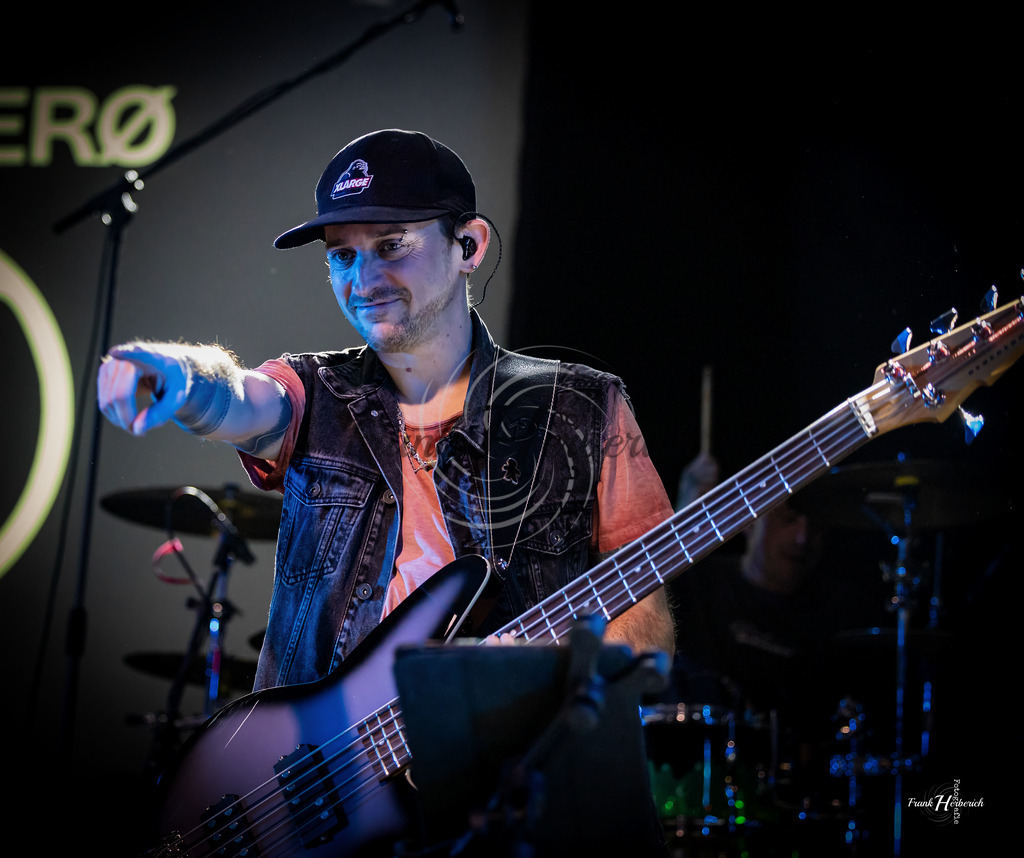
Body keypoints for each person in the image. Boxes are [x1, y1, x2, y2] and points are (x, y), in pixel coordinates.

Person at [96, 128, 676, 694]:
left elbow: (646, 629)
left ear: (469, 245)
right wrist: (180, 376)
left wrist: (524, 675)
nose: (364, 280)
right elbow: (236, 398)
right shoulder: (312, 389)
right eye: (343, 256)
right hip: (325, 772)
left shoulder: (580, 407)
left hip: (514, 776)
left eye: (391, 245)